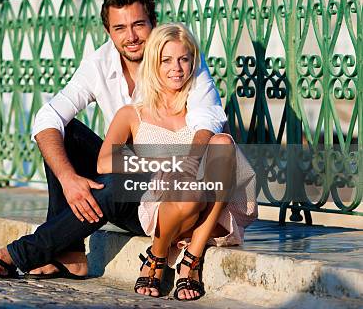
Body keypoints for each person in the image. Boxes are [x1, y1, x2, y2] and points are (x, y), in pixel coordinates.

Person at [0, 0, 226, 280]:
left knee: (118, 181)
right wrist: (69, 180)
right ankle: (71, 253)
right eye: (120, 28)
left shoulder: (179, 60)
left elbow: (207, 118)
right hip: (123, 173)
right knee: (63, 132)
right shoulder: (99, 63)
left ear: (153, 24)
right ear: (108, 32)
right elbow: (49, 116)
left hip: (171, 188)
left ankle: (23, 253)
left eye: (138, 25)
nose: (130, 37)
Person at [96, 23, 257, 300]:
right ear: (153, 64)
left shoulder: (201, 108)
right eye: (166, 60)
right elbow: (103, 163)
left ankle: (190, 259)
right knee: (188, 191)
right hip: (164, 206)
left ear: (194, 62)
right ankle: (158, 253)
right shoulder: (132, 114)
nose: (177, 68)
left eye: (184, 59)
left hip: (212, 211)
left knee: (221, 144)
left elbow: (227, 164)